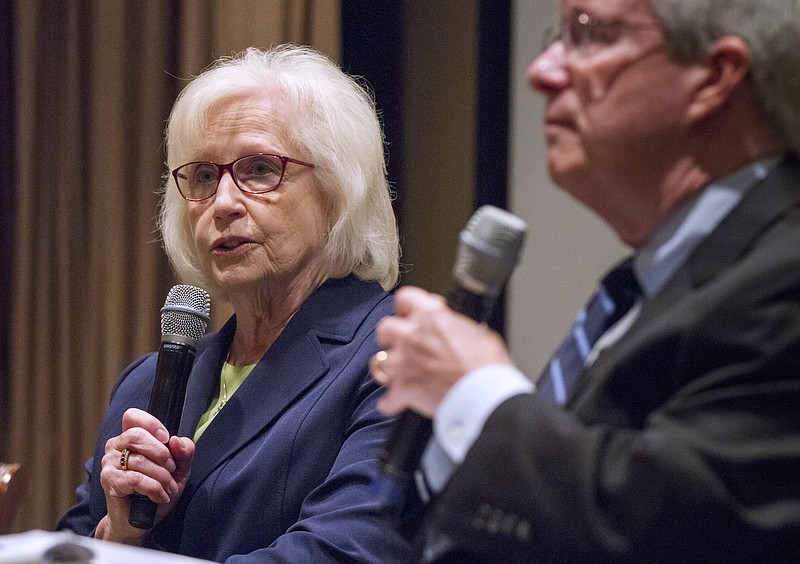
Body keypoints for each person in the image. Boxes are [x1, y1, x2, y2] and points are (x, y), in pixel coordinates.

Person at [370, 0, 800, 561]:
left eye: (588, 35)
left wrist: (474, 393)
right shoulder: (648, 282)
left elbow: (688, 533)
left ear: (713, 78)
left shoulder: (783, 269)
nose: (541, 72)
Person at [57, 45, 412, 562]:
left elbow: (347, 549)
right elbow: (70, 543)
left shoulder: (397, 356)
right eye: (203, 176)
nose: (222, 203)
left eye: (261, 169)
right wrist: (120, 534)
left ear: (340, 190)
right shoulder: (144, 383)